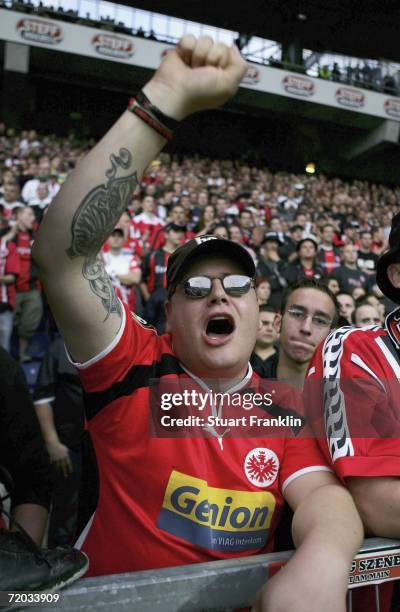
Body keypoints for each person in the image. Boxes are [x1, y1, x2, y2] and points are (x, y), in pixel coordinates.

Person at [32, 36, 363, 611]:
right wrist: (165, 99)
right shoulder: (131, 362)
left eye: (236, 285)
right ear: (170, 312)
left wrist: (324, 561)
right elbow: (64, 254)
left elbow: (322, 499)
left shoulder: (283, 408)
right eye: (196, 287)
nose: (218, 294)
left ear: (259, 309)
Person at [0, 345, 88, 591]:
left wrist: (19, 570)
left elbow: (32, 477)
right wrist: (52, 441)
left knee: (54, 600)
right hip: (66, 448)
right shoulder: (56, 353)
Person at [250, 304, 277, 375]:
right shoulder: (241, 359)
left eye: (274, 324)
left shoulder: (286, 361)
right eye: (265, 323)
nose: (270, 329)